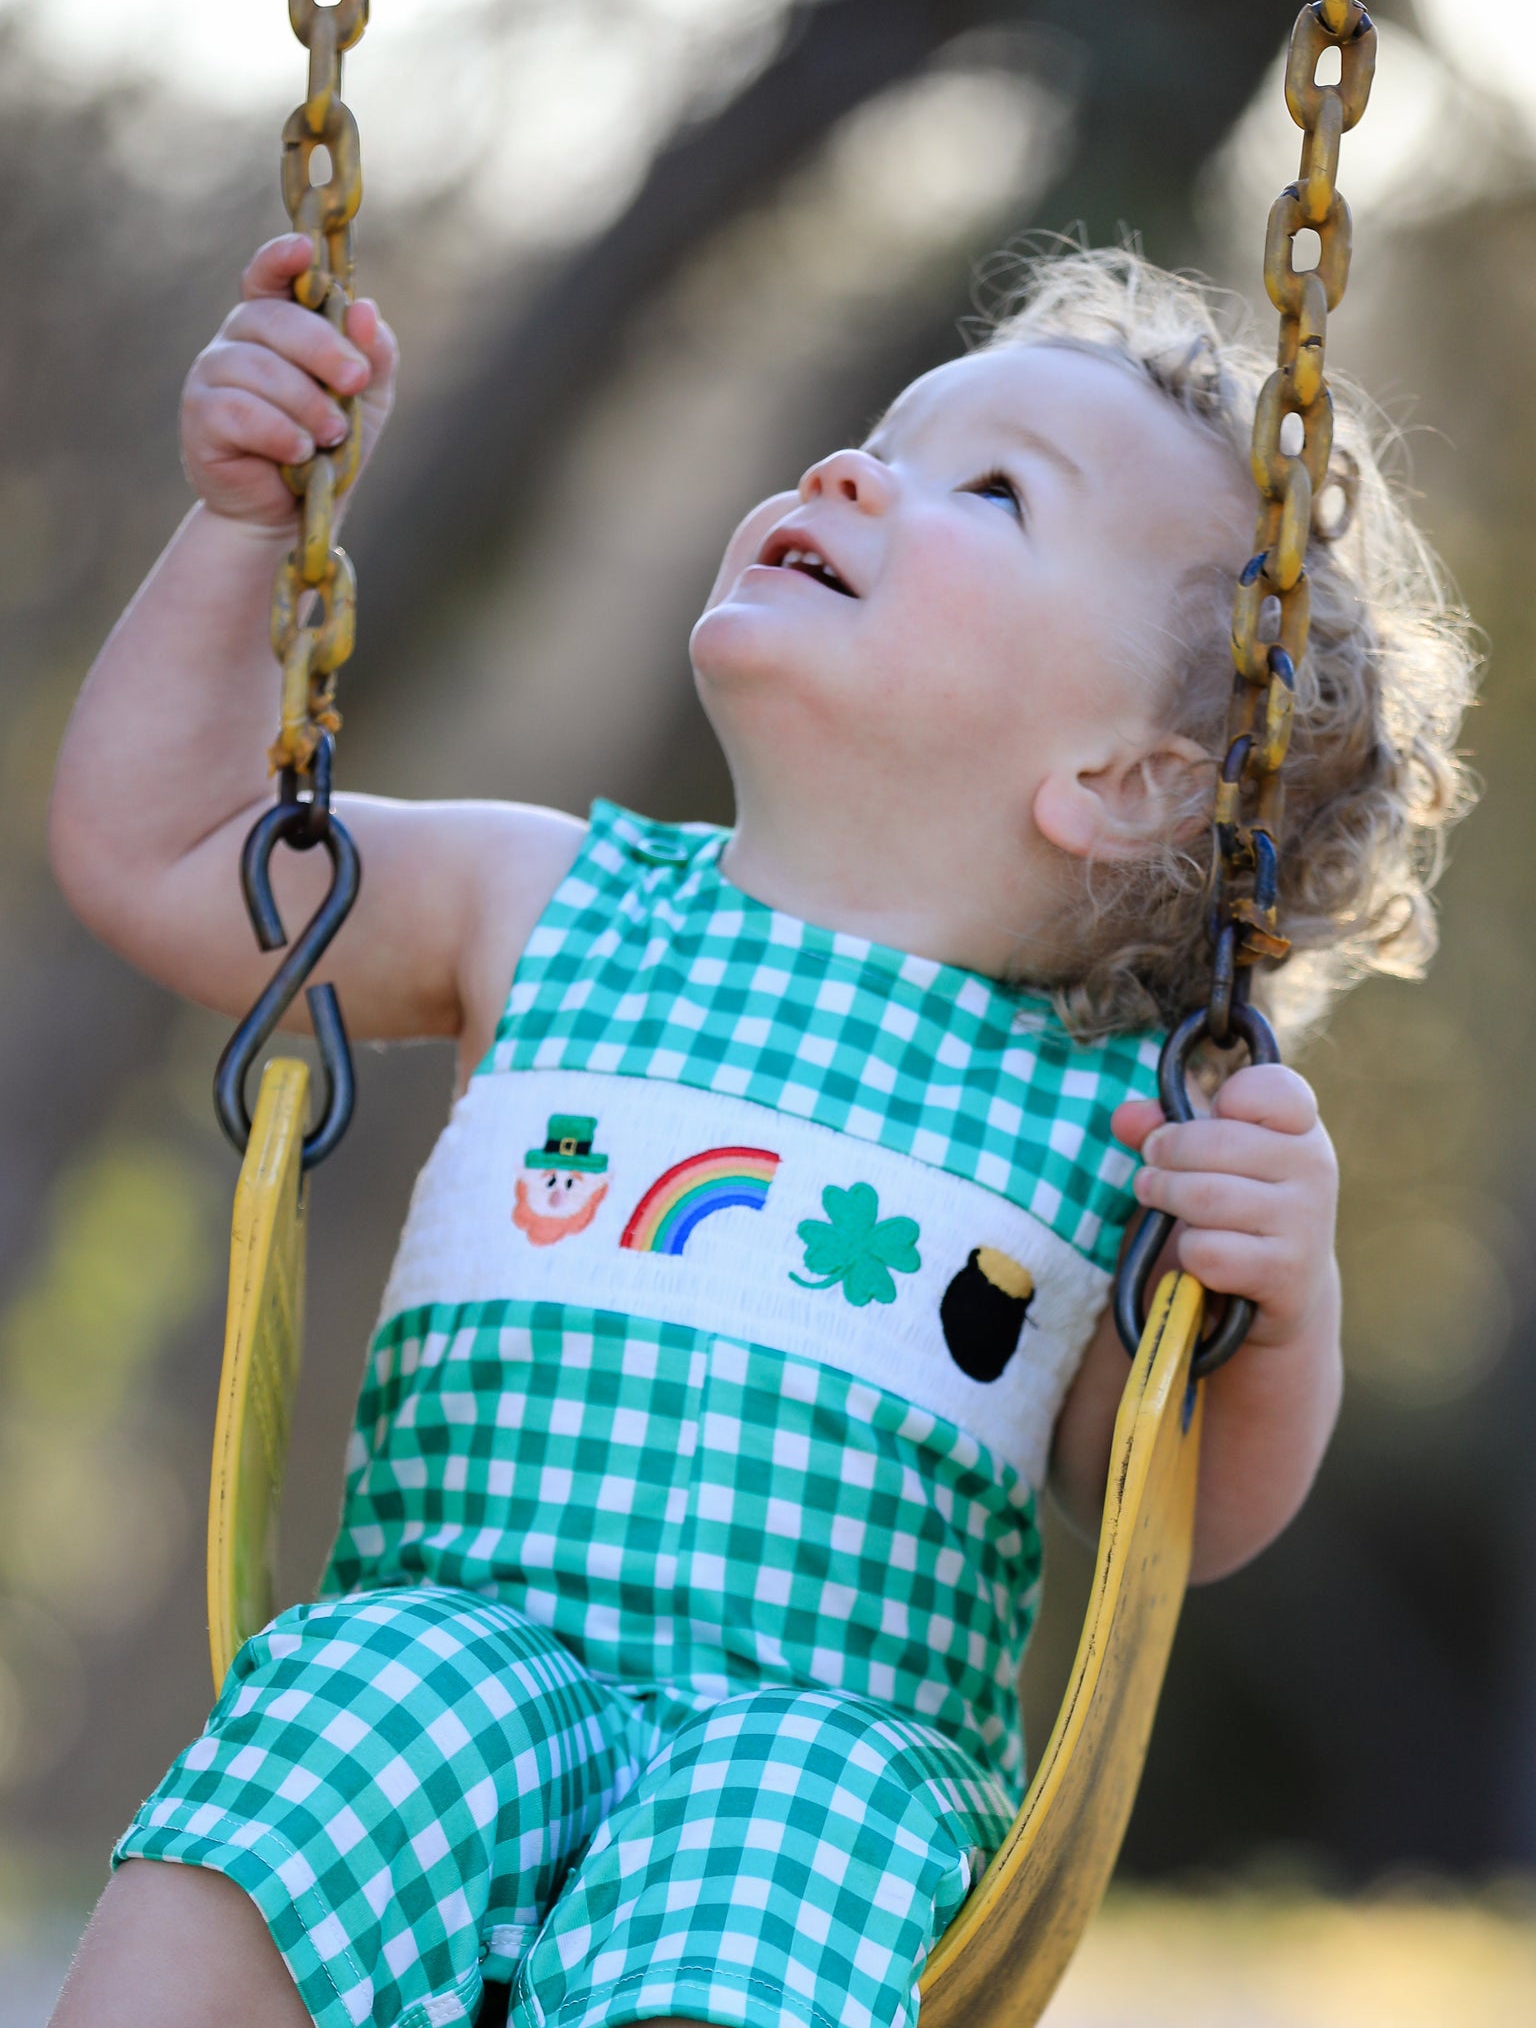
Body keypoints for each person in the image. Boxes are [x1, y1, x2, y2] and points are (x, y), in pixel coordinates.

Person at [45, 234, 1473, 2028]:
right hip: (456, 1660)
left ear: (1128, 780)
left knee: (791, 1818)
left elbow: (1165, 1507)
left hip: (819, 1750)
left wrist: (1282, 1299)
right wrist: (246, 527)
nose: (849, 471)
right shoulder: (541, 901)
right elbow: (171, 853)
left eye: (994, 492)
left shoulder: (1120, 1113)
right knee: (348, 1710)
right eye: (879, 437)